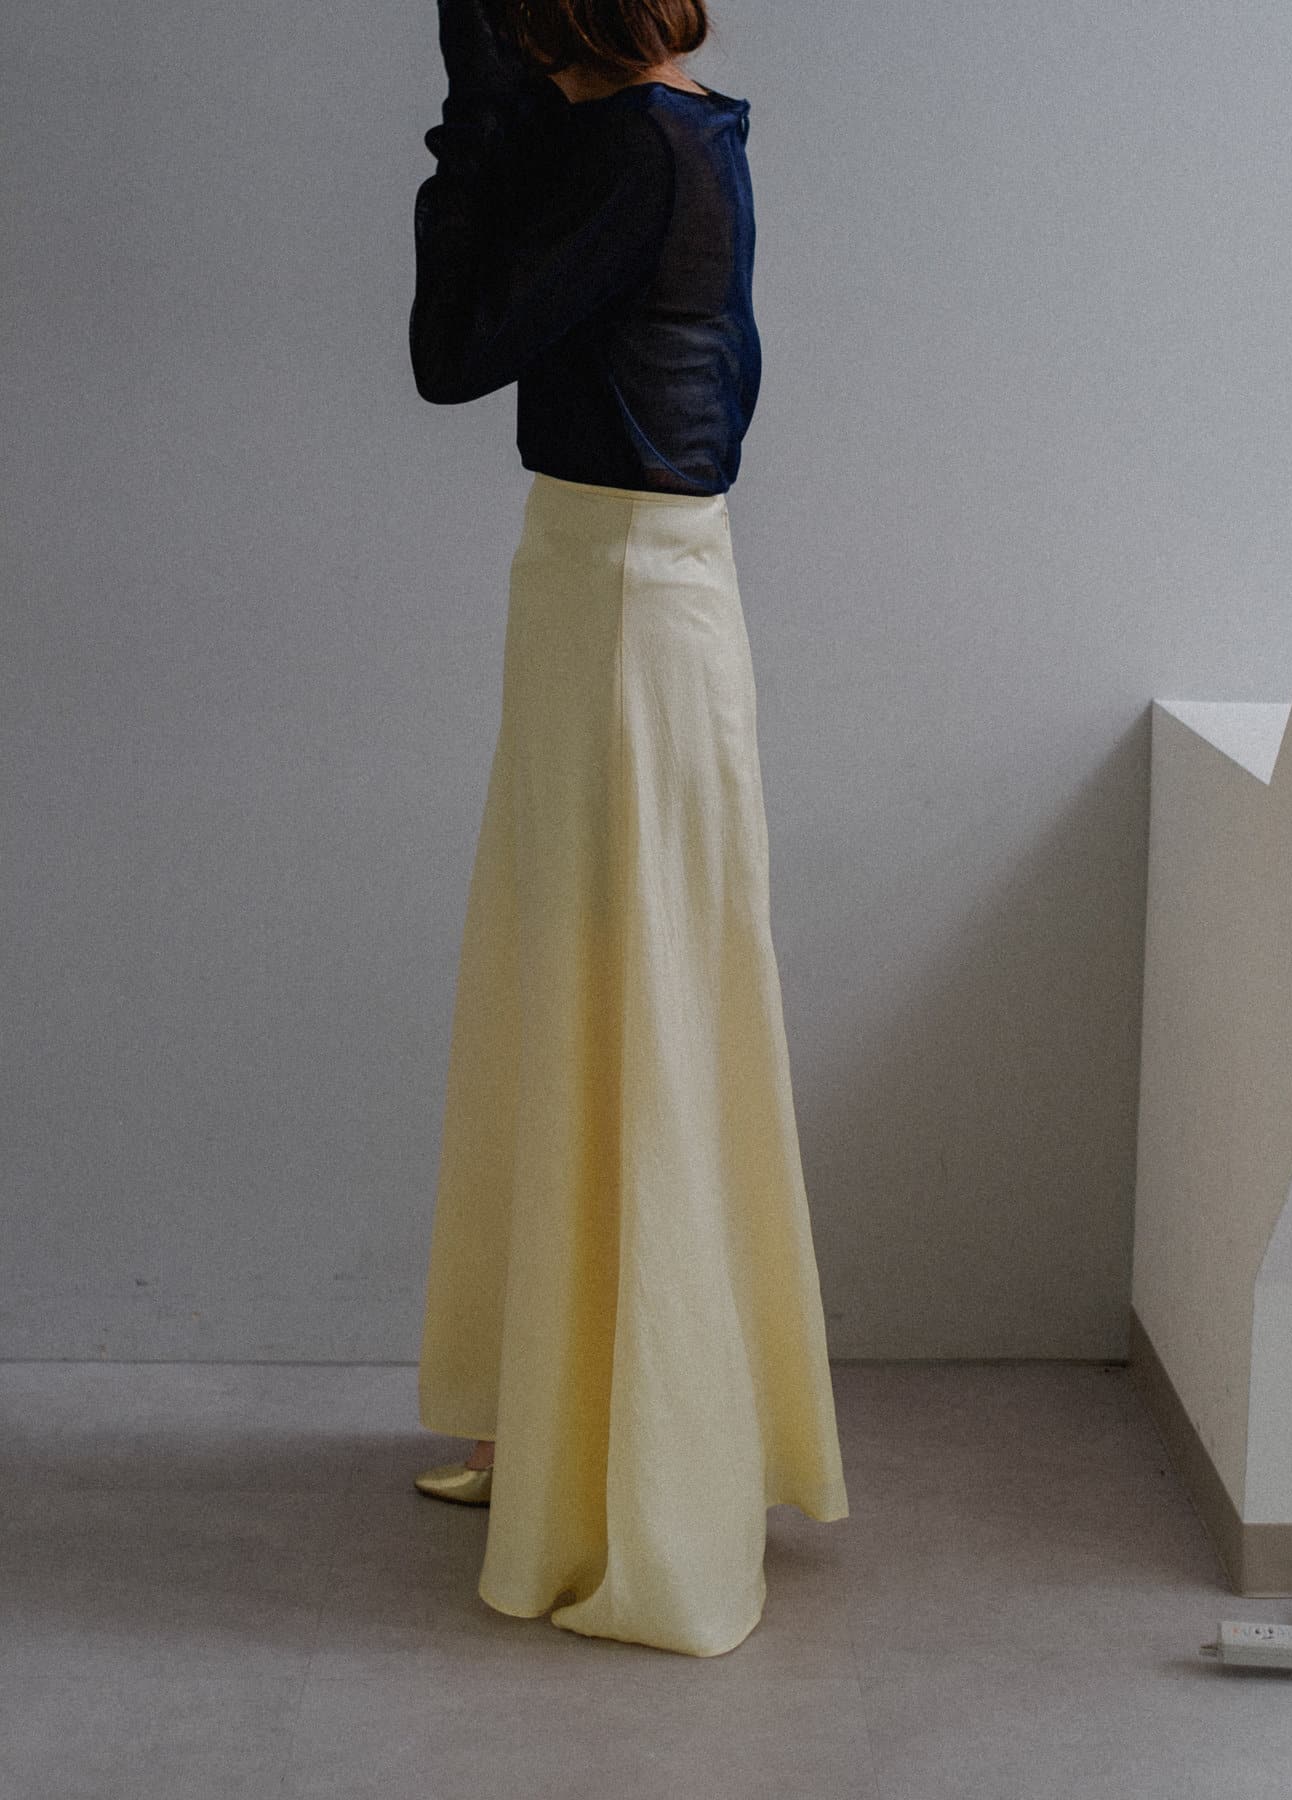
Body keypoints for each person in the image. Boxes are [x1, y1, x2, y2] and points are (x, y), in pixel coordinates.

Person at [407, 0, 848, 1659]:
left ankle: (637, 1488)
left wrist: (466, 124)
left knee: (626, 1009)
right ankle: (571, 1433)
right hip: (615, 582)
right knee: (591, 998)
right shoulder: (673, 126)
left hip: (620, 601)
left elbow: (452, 354)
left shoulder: (636, 150)